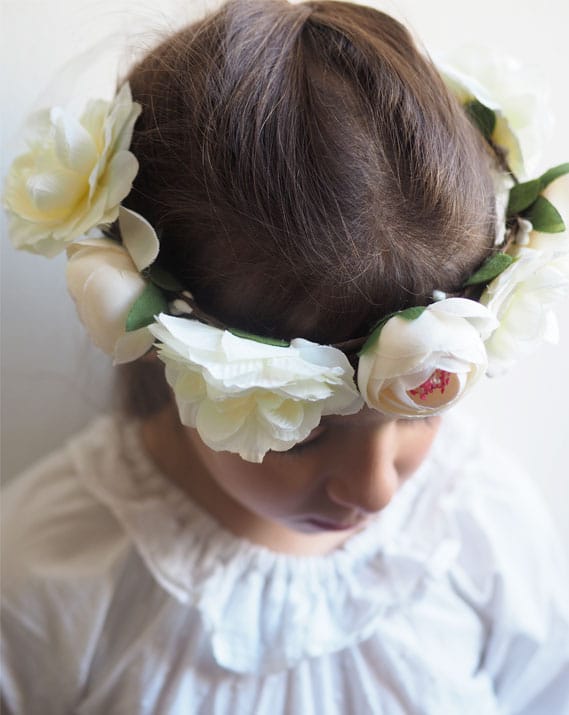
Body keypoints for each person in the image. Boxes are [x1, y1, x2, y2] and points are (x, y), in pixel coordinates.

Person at [2, 0, 569, 712]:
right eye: (304, 431)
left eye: (422, 409)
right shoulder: (48, 578)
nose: (375, 492)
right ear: (163, 350)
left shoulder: (478, 531)